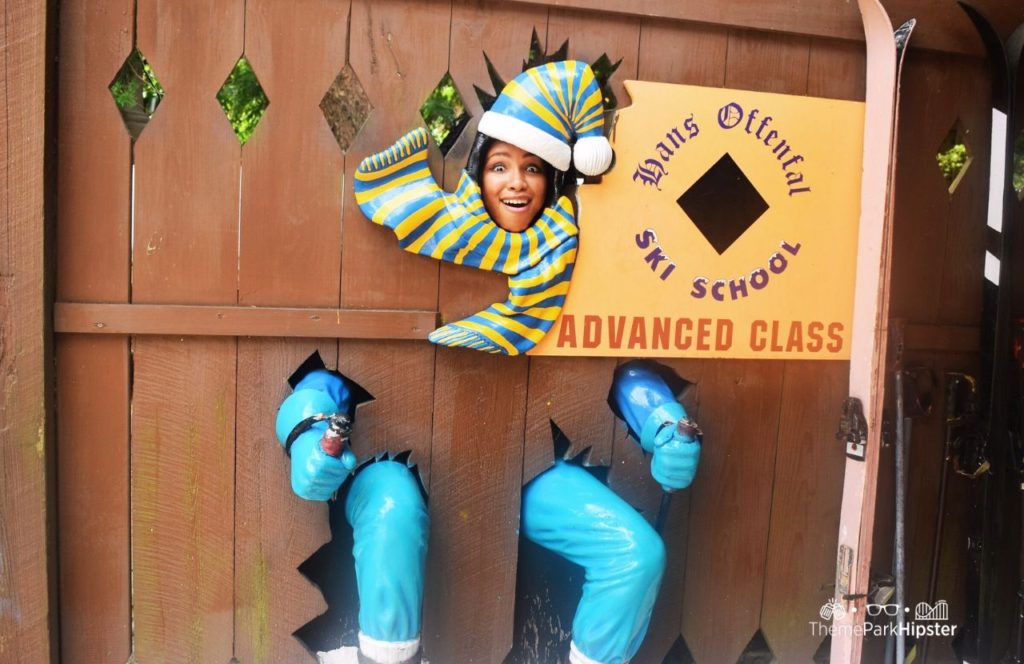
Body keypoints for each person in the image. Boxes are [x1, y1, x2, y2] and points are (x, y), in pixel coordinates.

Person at [353, 61, 702, 664]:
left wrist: (661, 420)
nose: (516, 183)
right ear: (477, 171)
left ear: (555, 179)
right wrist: (308, 429)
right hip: (409, 460)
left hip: (531, 466)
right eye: (500, 166)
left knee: (636, 552)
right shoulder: (440, 233)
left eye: (533, 167)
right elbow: (323, 367)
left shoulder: (571, 252)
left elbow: (624, 364)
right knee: (390, 516)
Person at [275, 356, 428, 664]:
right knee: (391, 507)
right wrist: (307, 433)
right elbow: (325, 380)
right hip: (360, 487)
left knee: (394, 509)